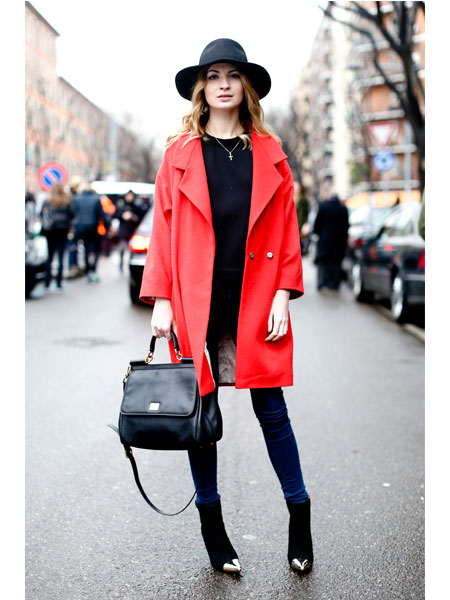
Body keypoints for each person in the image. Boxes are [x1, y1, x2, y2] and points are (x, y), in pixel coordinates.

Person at [139, 38, 313, 575]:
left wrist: (283, 293)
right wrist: (161, 298)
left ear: (245, 86)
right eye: (212, 75)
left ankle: (300, 517)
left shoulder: (270, 153)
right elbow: (163, 230)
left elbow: (286, 229)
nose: (222, 84)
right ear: (201, 87)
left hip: (256, 297)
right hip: (197, 299)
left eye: (232, 75)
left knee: (272, 411)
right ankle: (213, 529)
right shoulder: (179, 155)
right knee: (201, 414)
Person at [40, 183, 75, 292]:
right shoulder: (67, 202)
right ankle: (59, 284)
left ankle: (47, 283)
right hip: (62, 231)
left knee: (50, 257)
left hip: (50, 232)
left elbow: (41, 215)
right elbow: (72, 215)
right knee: (61, 257)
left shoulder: (47, 201)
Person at [313, 192, 349, 291]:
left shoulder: (323, 207)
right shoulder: (343, 209)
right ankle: (334, 284)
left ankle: (321, 283)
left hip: (324, 241)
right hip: (338, 242)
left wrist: (318, 233)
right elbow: (346, 227)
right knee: (336, 264)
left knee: (322, 263)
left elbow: (317, 225)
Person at [72, 183, 107, 282]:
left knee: (86, 249)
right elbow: (101, 215)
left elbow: (74, 214)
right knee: (97, 249)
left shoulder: (77, 199)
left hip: (81, 228)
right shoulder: (96, 199)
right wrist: (106, 226)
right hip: (93, 227)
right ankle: (93, 268)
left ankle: (88, 269)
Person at [115, 190, 144, 272]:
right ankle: (121, 264)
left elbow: (140, 217)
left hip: (132, 231)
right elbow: (115, 215)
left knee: (132, 251)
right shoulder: (121, 205)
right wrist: (123, 215)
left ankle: (130, 265)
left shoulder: (135, 207)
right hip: (123, 231)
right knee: (122, 249)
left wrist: (134, 217)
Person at [67, 176, 84, 279]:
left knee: (75, 247)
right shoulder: (71, 198)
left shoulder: (75, 197)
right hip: (72, 226)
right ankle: (72, 266)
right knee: (72, 247)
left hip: (75, 226)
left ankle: (75, 266)